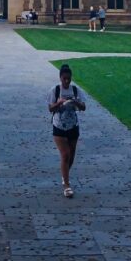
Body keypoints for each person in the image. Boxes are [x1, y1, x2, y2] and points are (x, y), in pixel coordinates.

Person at [48, 64, 86, 198]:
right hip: (58, 126)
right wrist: (59, 103)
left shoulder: (75, 90)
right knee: (65, 154)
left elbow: (83, 107)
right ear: (60, 78)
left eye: (68, 79)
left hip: (73, 126)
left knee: (71, 155)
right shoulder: (55, 90)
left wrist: (75, 102)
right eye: (64, 78)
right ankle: (66, 185)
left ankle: (64, 175)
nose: (66, 81)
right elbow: (50, 108)